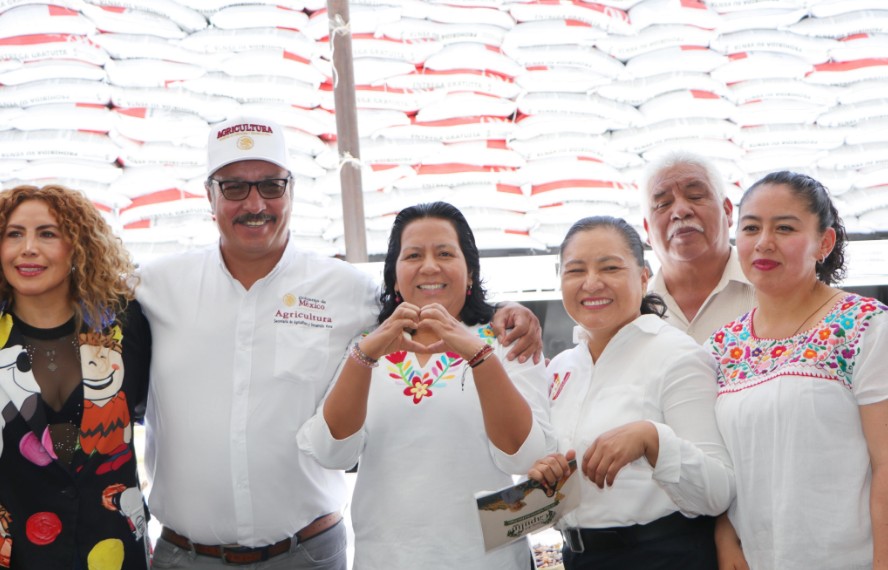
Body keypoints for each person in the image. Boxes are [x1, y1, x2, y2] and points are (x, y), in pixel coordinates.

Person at [138, 116, 543, 569]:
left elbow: (539, 464)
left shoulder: (347, 290)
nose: (255, 202)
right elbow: (333, 447)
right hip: (190, 556)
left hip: (312, 555)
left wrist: (503, 314)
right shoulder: (156, 286)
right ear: (209, 196)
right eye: (234, 188)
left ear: (291, 191)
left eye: (271, 186)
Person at [297, 201, 555, 569]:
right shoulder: (368, 347)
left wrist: (481, 357)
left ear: (470, 273)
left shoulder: (508, 340)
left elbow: (525, 457)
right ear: (395, 276)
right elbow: (331, 453)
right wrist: (364, 356)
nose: (430, 266)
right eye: (413, 254)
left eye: (445, 253)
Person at [529, 216, 734, 570]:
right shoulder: (562, 367)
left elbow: (718, 492)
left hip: (658, 556)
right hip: (575, 556)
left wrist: (653, 440)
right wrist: (547, 473)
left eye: (610, 267)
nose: (592, 283)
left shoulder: (677, 356)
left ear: (643, 277)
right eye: (575, 270)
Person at [708, 171, 888, 570]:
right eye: (751, 228)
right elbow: (716, 463)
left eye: (784, 227)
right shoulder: (720, 347)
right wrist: (723, 534)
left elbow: (886, 462)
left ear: (824, 242)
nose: (764, 242)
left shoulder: (865, 327)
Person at [0, 184, 151, 569]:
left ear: (77, 246)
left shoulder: (125, 325)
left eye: (47, 233)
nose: (28, 248)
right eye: (13, 234)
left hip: (112, 551)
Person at [642, 151, 755, 344]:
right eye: (663, 204)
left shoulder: (771, 291)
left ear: (727, 211)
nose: (680, 212)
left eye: (695, 196)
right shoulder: (634, 311)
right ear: (647, 231)